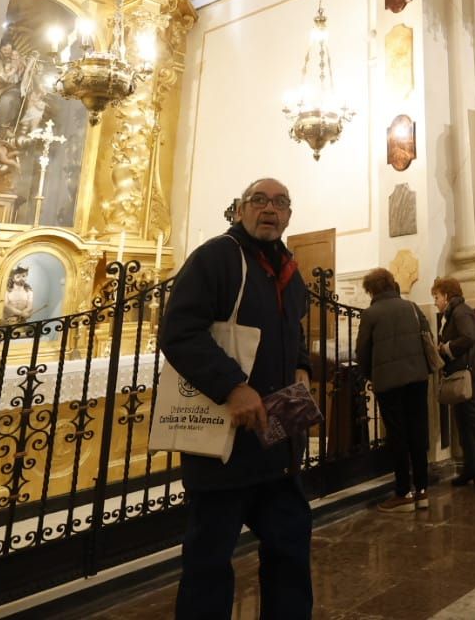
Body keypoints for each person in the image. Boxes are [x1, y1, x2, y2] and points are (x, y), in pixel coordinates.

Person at [159, 177, 313, 620]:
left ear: (289, 215)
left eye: (280, 202)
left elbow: (293, 328)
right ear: (240, 210)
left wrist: (302, 364)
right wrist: (232, 385)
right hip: (224, 443)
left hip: (278, 439)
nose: (270, 209)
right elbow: (179, 331)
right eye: (259, 200)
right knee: (209, 563)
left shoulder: (290, 269)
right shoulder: (216, 257)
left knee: (290, 550)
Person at [355, 267, 432, 513]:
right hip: (417, 378)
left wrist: (370, 374)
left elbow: (362, 351)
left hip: (388, 382)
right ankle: (422, 490)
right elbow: (427, 336)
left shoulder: (371, 314)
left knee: (397, 435)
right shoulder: (412, 307)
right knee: (418, 430)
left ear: (371, 290)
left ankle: (403, 492)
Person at [432, 277, 475, 491]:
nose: (435, 302)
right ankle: (471, 468)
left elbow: (469, 338)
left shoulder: (460, 312)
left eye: (436, 297)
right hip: (462, 373)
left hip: (471, 374)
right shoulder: (453, 313)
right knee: (463, 423)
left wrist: (446, 348)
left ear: (446, 296)